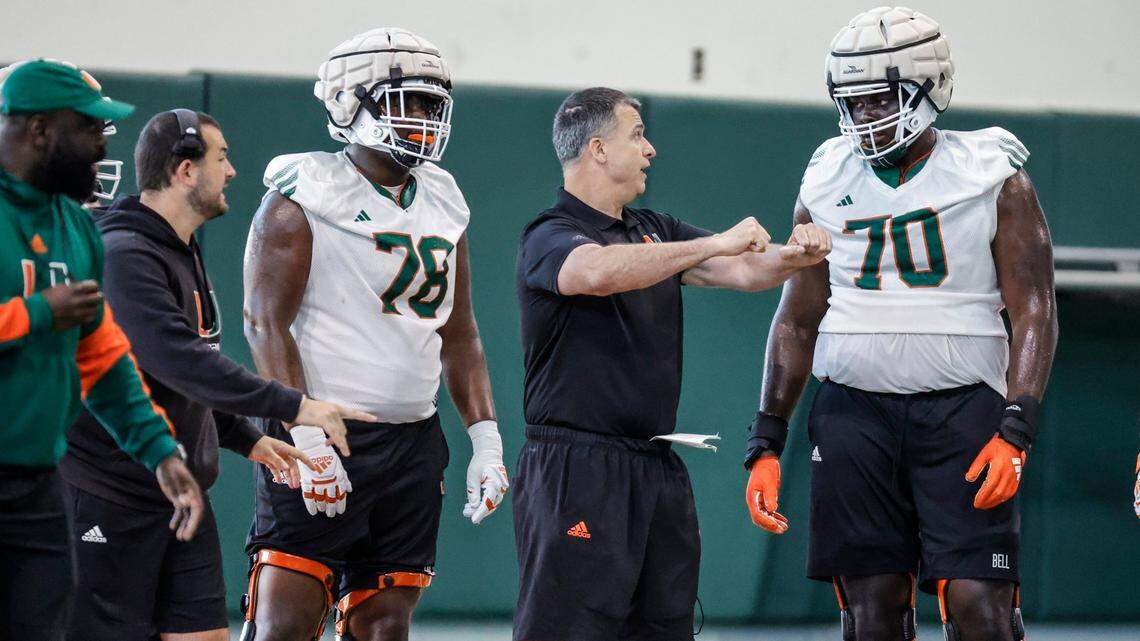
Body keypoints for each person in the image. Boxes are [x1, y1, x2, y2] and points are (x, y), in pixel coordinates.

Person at [743, 7, 1058, 641]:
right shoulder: (825, 175)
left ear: (927, 87)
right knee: (872, 614)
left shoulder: (992, 171)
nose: (864, 117)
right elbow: (799, 317)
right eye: (852, 102)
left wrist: (1017, 427)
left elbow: (1035, 306)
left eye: (878, 99)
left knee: (982, 611)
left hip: (964, 412)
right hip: (854, 414)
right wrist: (766, 442)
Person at [512, 86, 830, 641]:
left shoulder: (652, 227)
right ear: (598, 149)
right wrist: (711, 245)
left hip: (653, 468)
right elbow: (595, 273)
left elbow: (749, 270)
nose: (651, 149)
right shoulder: (549, 234)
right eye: (637, 135)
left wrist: (800, 255)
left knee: (663, 626)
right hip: (577, 468)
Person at [59, 109, 376, 641]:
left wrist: (243, 437)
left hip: (183, 498)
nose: (231, 171)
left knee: (206, 634)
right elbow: (178, 359)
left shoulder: (178, 250)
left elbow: (180, 375)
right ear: (185, 171)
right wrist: (294, 405)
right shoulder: (124, 255)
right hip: (111, 495)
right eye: (221, 157)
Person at [239, 27, 509, 641]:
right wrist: (306, 436)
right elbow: (263, 322)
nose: (423, 117)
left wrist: (485, 441)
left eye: (431, 103)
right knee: (286, 624)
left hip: (413, 440)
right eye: (406, 100)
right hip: (323, 428)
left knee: (385, 628)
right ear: (347, 102)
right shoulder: (301, 195)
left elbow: (459, 332)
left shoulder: (444, 198)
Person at [0, 58, 205, 640]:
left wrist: (161, 452)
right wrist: (38, 313)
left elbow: (104, 360)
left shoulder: (78, 227)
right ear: (40, 130)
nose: (100, 147)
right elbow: (50, 320)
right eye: (89, 129)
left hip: (37, 483)